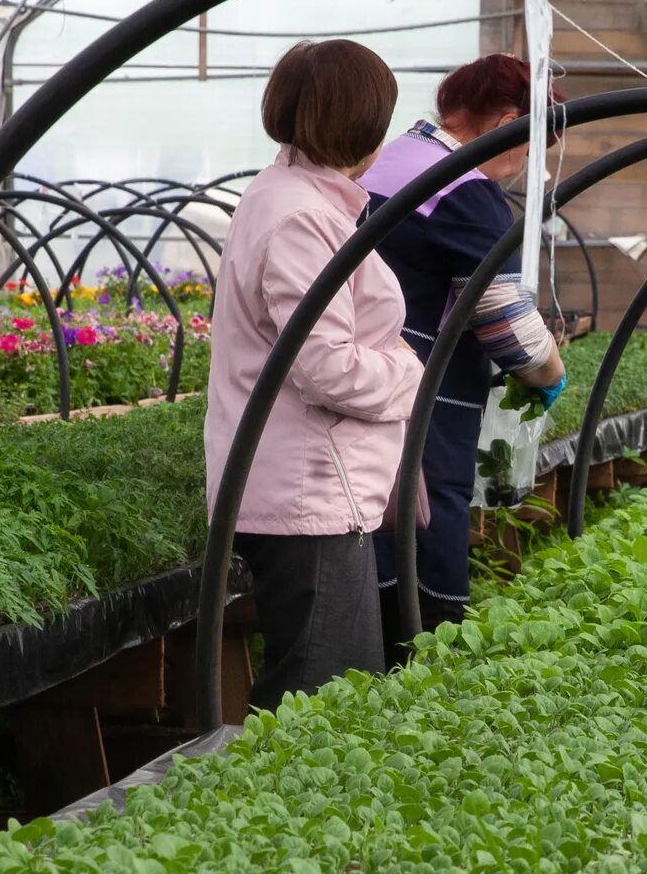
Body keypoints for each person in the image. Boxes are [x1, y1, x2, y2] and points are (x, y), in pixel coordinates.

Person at [203, 39, 422, 711]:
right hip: (309, 497)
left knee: (323, 696)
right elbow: (322, 364)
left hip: (316, 490)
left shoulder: (299, 199)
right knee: (320, 706)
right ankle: (252, 817)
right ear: (366, 124)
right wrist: (407, 371)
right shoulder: (299, 215)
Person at [360, 54, 569, 646]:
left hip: (356, 381)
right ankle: (416, 680)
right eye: (528, 148)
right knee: (422, 533)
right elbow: (500, 317)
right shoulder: (465, 190)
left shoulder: (387, 160)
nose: (522, 165)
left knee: (370, 534)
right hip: (422, 395)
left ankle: (360, 674)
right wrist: (547, 370)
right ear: (507, 122)